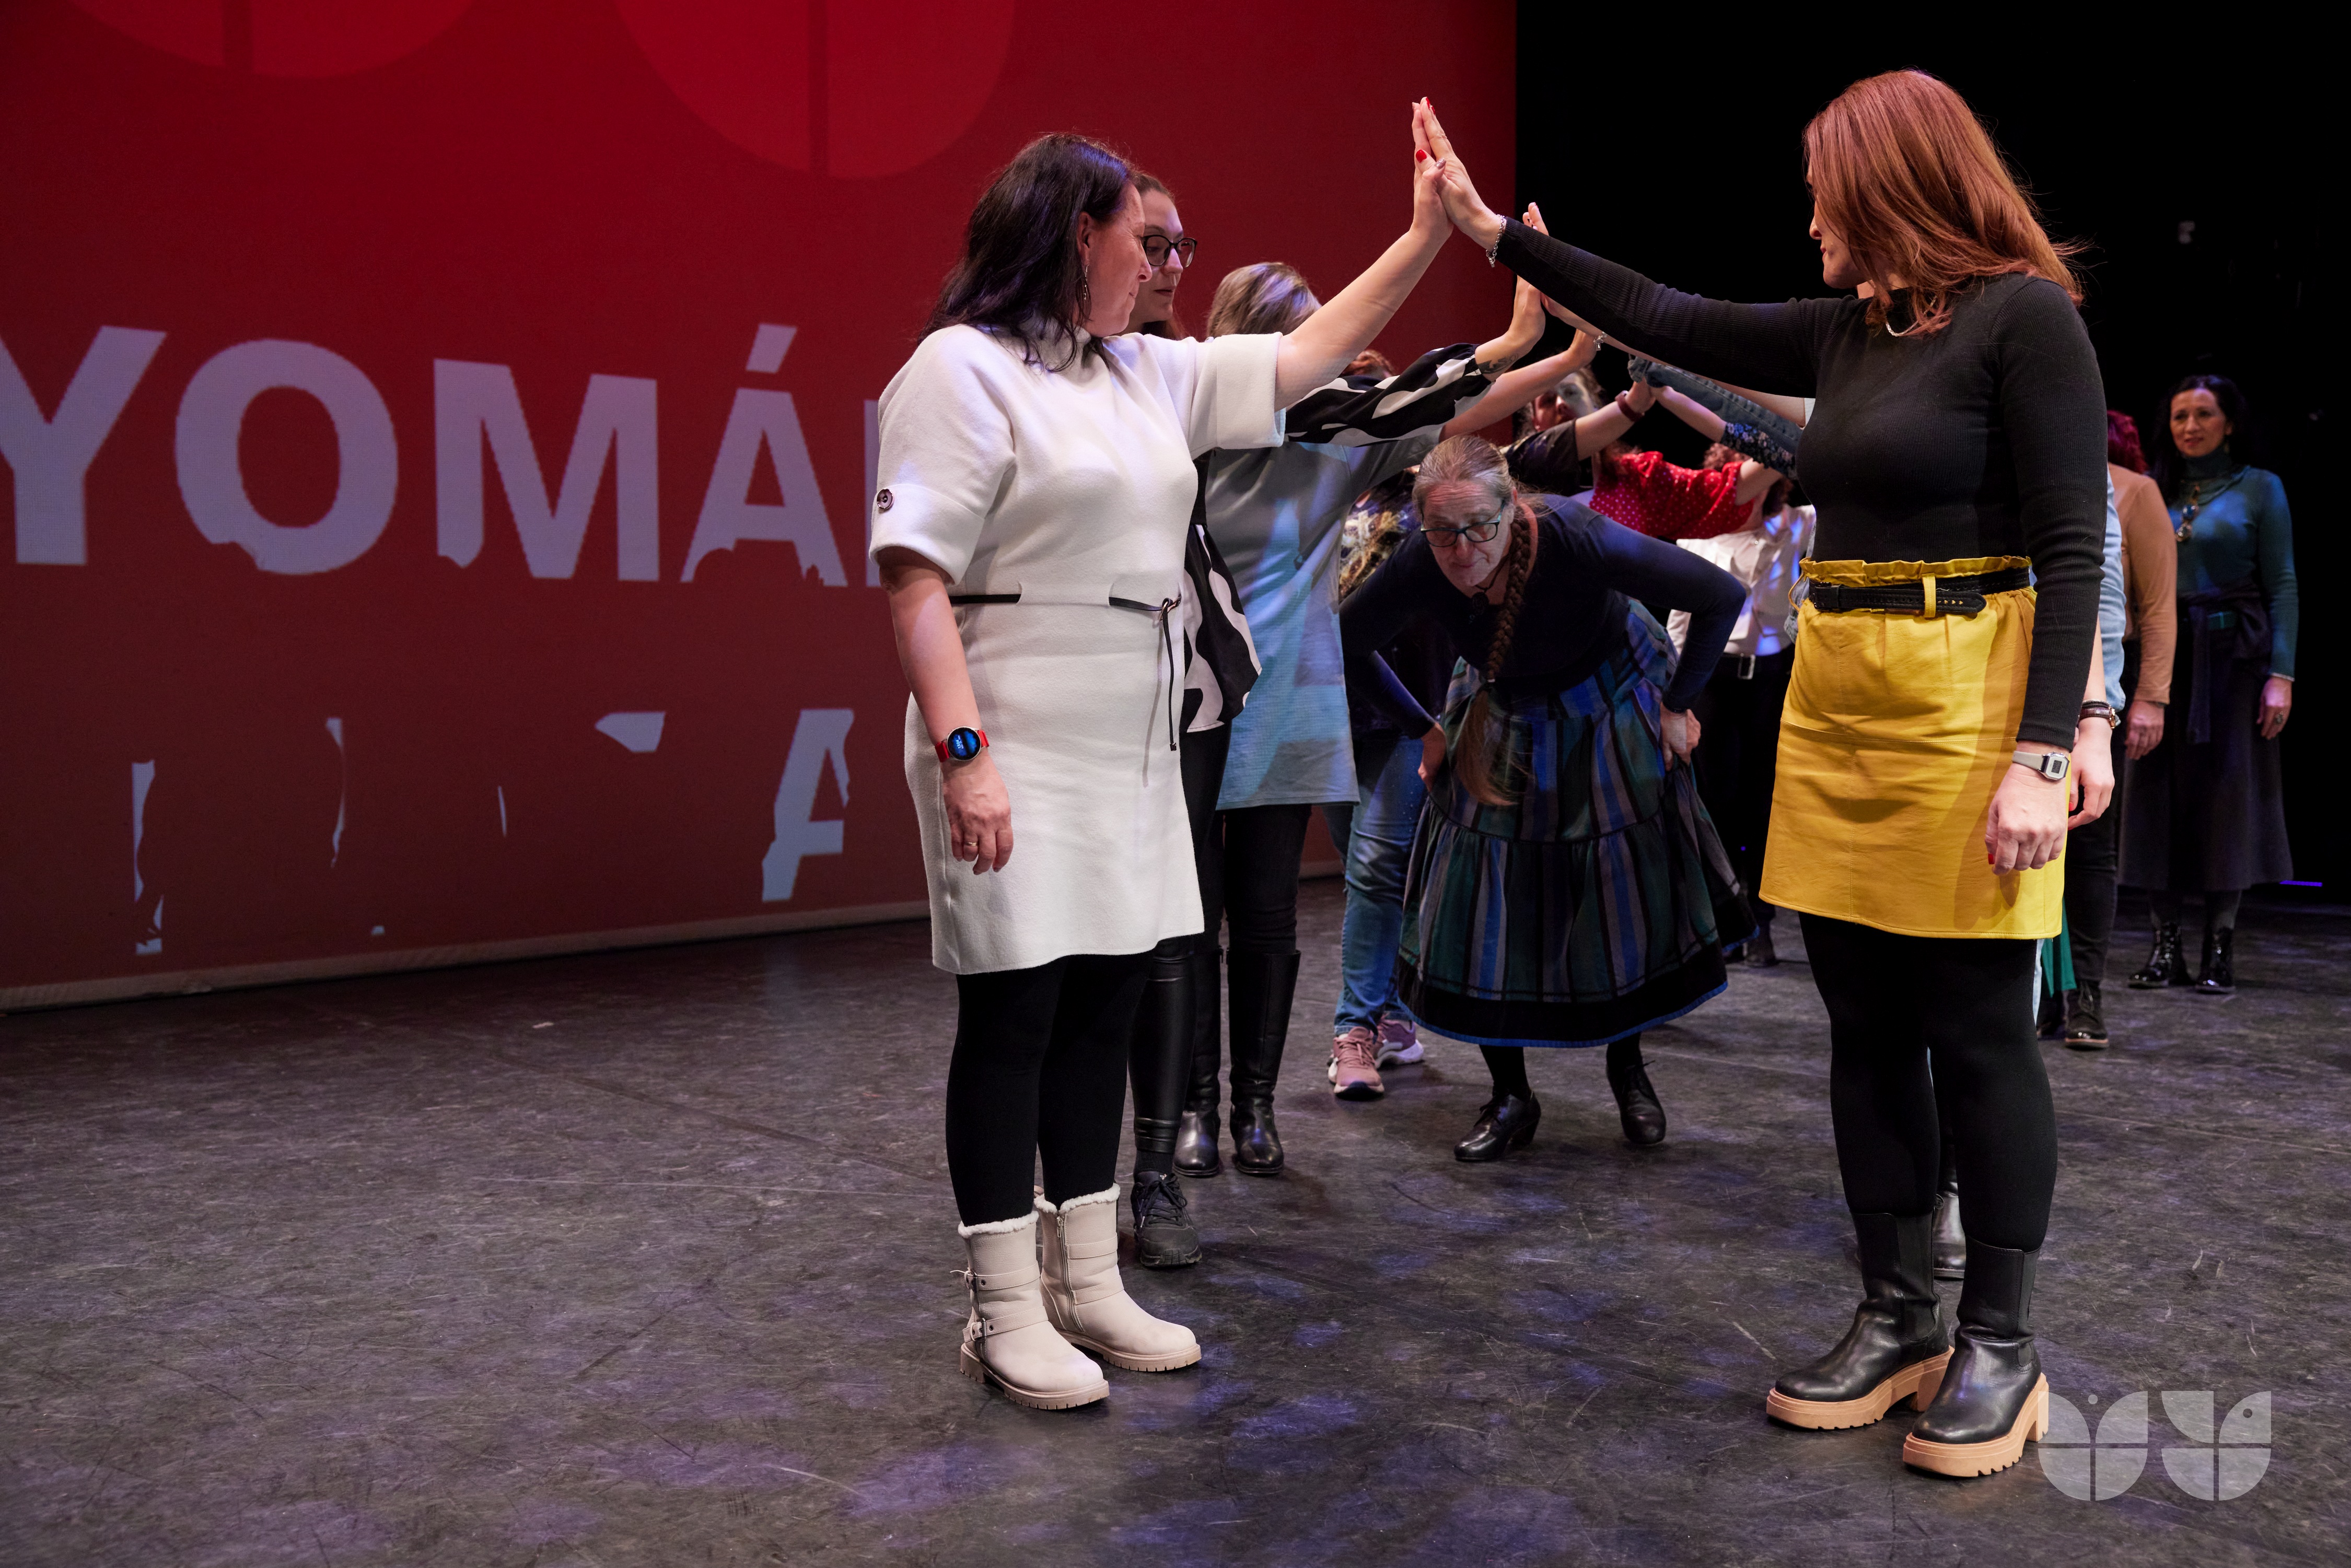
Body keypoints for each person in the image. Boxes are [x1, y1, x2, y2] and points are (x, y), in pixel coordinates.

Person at [1417, 69, 2112, 1478]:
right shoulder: (1846, 334)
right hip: (1840, 690)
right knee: (1863, 1025)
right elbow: (1666, 313)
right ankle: (1896, 1312)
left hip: (1964, 694)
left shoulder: (2023, 319)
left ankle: (1997, 1341)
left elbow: (2069, 546)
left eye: (1820, 198)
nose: (1808, 224)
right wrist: (1495, 237)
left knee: (1975, 1028)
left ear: (1886, 188)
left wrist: (2045, 751)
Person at [871, 127, 1455, 1410]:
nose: (1160, 265)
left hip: (1135, 733)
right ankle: (1002, 1305)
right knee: (1016, 1014)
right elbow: (916, 579)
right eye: (1142, 241)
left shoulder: (1145, 372)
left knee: (1104, 1004)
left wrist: (1424, 235)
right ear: (1076, 234)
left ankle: (1087, 1279)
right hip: (1015, 725)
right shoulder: (960, 369)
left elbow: (1307, 356)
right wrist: (966, 756)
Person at [1182, 244, 1591, 1150]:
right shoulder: (1187, 430)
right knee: (1188, 921)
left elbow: (1456, 409)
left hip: (1287, 703)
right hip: (1188, 699)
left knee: (1265, 916)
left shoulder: (1339, 449)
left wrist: (1543, 349)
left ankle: (1253, 1112)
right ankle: (1197, 1110)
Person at [1339, 435, 1749, 1160]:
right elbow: (1347, 639)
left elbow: (1720, 596)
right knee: (1487, 892)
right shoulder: (1420, 559)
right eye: (1443, 533)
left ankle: (1629, 1070)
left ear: (1511, 509)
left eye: (1479, 528)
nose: (1462, 550)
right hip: (1503, 706)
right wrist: (1423, 730)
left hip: (1607, 697)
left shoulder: (1575, 535)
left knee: (1616, 889)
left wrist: (1679, 705)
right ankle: (1510, 1095)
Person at [2122, 375, 2296, 996]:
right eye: (2179, 416)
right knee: (2155, 798)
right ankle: (2164, 945)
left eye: (2203, 414)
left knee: (2228, 800)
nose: (2190, 426)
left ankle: (2219, 946)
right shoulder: (2154, 489)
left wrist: (2281, 675)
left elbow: (2283, 583)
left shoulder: (2260, 487)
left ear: (2230, 423)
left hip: (2232, 661)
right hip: (2160, 659)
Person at [1664, 437, 1815, 968]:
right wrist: (1673, 698)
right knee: (1718, 799)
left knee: (1764, 800)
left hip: (1772, 680)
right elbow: (1680, 620)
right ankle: (1725, 920)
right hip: (1714, 680)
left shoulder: (1798, 524)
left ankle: (1762, 921)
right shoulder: (1698, 534)